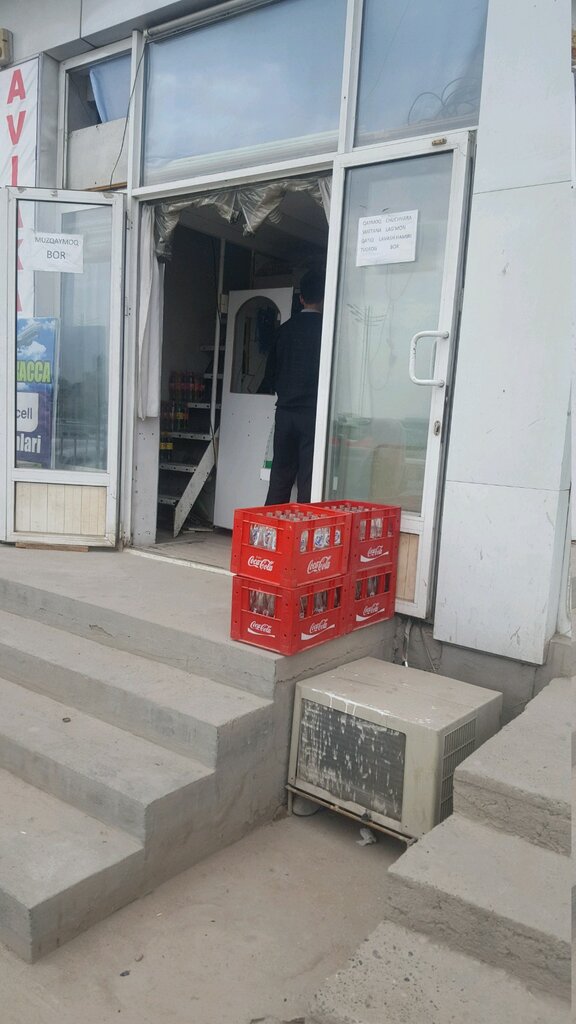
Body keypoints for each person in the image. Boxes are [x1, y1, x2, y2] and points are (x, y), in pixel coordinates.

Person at [262, 269, 324, 504]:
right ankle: (306, 536)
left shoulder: (284, 331)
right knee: (309, 479)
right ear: (324, 298)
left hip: (286, 413)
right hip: (313, 415)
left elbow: (270, 375)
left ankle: (271, 534)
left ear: (301, 298)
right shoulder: (327, 333)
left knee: (280, 476)